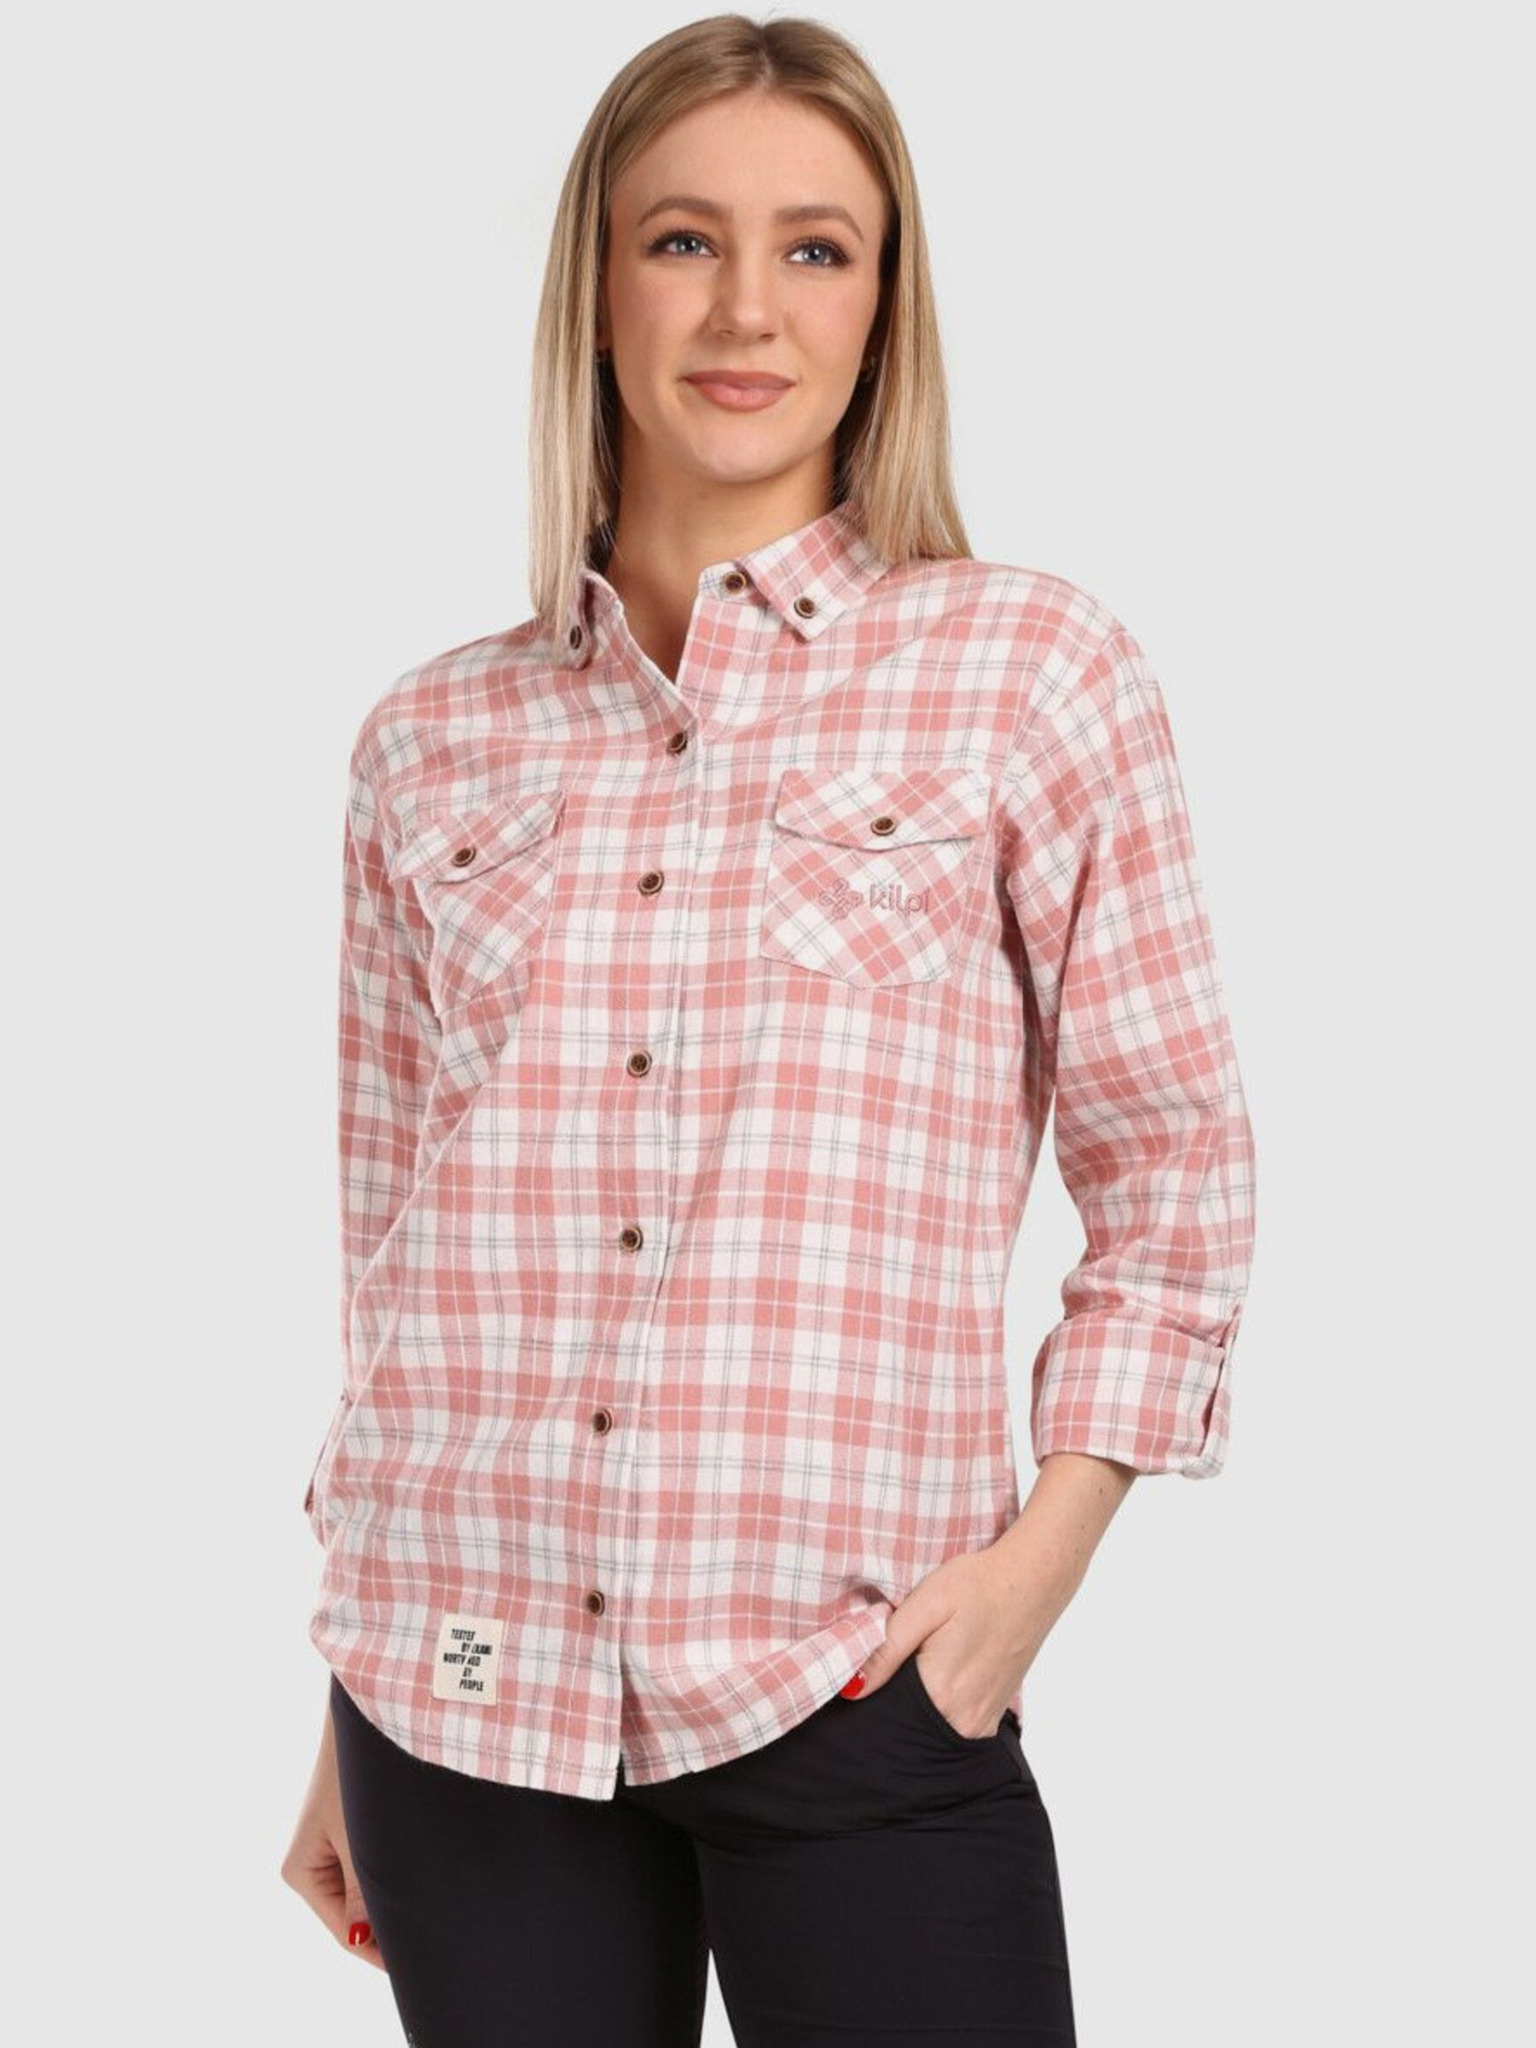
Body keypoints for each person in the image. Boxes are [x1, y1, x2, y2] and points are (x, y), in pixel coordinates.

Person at [280, 14, 1257, 2045]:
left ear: (885, 302)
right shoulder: (430, 737)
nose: (747, 308)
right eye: (683, 241)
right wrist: (344, 1697)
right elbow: (395, 1252)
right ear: (596, 284)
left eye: (816, 247)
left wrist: (1036, 1570)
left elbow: (1173, 1166)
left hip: (859, 1677)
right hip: (458, 1697)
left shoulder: (1027, 670)